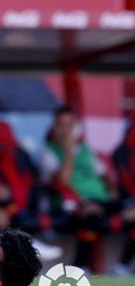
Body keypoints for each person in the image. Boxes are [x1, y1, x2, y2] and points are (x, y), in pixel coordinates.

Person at [41, 105, 135, 272]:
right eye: (63, 125)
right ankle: (79, 267)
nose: (68, 129)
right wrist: (68, 150)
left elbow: (104, 175)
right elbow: (62, 180)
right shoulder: (48, 152)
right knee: (91, 216)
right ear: (55, 128)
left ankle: (123, 265)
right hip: (72, 203)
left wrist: (112, 190)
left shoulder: (85, 149)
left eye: (71, 124)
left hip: (102, 199)